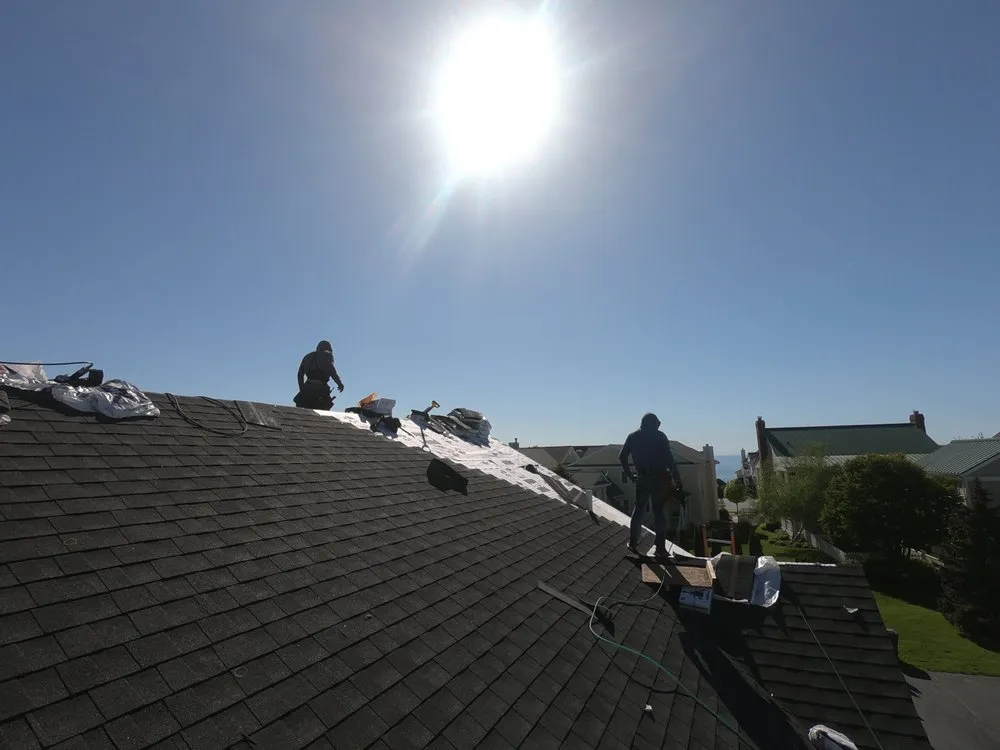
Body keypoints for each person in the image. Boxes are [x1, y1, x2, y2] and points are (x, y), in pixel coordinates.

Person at [619, 412, 684, 558]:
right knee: (659, 511)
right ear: (654, 423)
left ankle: (633, 543)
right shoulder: (660, 436)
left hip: (642, 478)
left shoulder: (632, 436)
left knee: (639, 510)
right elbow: (670, 461)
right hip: (659, 479)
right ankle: (660, 548)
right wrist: (678, 479)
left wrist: (629, 474)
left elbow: (622, 456)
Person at [294, 340, 344, 410]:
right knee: (324, 410)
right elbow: (332, 372)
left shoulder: (307, 357)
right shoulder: (327, 355)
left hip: (307, 387)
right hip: (321, 388)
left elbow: (300, 375)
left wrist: (302, 389)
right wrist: (339, 383)